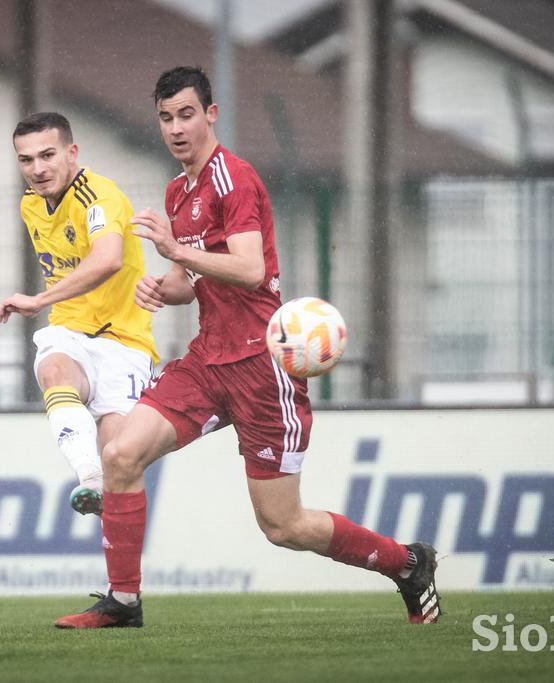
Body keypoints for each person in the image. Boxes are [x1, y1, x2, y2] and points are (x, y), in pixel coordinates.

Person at [54, 67, 440, 629]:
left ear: (211, 114)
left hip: (263, 369)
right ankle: (123, 602)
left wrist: (176, 252)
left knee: (283, 527)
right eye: (166, 118)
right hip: (207, 361)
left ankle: (407, 565)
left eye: (187, 114)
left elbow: (250, 269)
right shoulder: (176, 191)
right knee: (118, 454)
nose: (176, 128)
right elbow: (192, 285)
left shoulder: (234, 177)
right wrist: (165, 285)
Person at [0, 112, 158, 516]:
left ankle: (122, 579)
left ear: (73, 152)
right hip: (69, 331)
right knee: (54, 370)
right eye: (26, 159)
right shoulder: (31, 205)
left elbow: (107, 260)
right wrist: (50, 307)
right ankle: (88, 475)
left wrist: (37, 301)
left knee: (120, 460)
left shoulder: (99, 196)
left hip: (125, 342)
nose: (38, 169)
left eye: (48, 155)